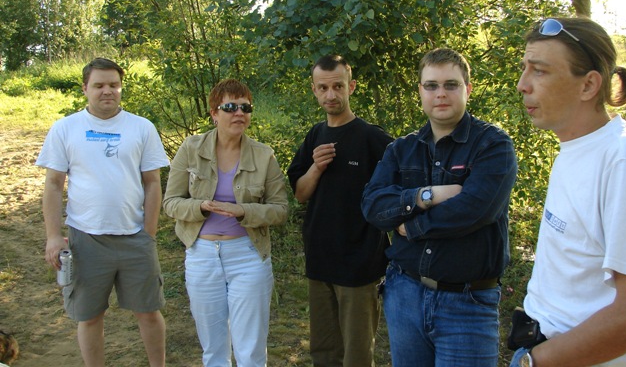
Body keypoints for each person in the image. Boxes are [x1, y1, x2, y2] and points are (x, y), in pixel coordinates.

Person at [361, 48, 518, 366]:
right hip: (404, 294)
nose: (440, 94)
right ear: (420, 91)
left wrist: (410, 226)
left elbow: (474, 210)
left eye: (451, 85)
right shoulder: (401, 149)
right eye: (431, 85)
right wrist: (425, 196)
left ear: (467, 89)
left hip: (467, 303)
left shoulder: (493, 145)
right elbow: (373, 205)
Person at [509, 17, 626, 367]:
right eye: (524, 68)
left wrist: (536, 361)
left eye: (539, 71)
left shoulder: (623, 161)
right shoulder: (575, 148)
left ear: (589, 85)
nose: (522, 85)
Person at [36, 58, 169, 367]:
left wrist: (148, 233)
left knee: (149, 312)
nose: (107, 91)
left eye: (113, 85)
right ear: (85, 88)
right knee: (90, 316)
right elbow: (53, 184)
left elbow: (152, 183)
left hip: (135, 237)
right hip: (86, 239)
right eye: (99, 85)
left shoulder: (142, 127)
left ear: (121, 88)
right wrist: (53, 236)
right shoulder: (65, 128)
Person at [163, 79, 288, 367]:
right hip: (202, 256)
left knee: (251, 350)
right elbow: (170, 203)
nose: (239, 113)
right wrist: (200, 207)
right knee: (213, 349)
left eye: (246, 107)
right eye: (230, 107)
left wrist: (243, 211)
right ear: (214, 113)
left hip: (248, 256)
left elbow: (280, 210)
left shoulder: (264, 154)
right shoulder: (191, 148)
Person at [286, 54, 393, 367]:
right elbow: (300, 194)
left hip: (360, 265)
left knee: (357, 354)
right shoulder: (315, 136)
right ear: (314, 90)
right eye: (323, 88)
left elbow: (399, 192)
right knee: (324, 352)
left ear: (351, 86)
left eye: (338, 86)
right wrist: (316, 168)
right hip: (320, 261)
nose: (330, 94)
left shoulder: (373, 138)